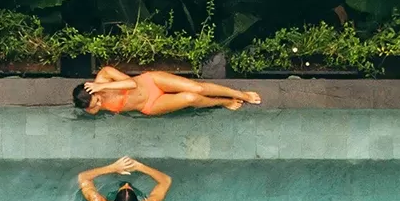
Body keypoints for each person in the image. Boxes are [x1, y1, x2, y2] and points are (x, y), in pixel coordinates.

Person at [73, 66, 261, 115]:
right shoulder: (90, 107)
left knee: (197, 87)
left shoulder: (105, 75)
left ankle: (240, 94)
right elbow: (91, 108)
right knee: (190, 98)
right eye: (95, 105)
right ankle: (224, 101)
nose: (99, 104)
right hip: (149, 104)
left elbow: (131, 84)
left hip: (150, 83)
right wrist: (93, 106)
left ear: (92, 88)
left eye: (97, 99)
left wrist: (102, 86)